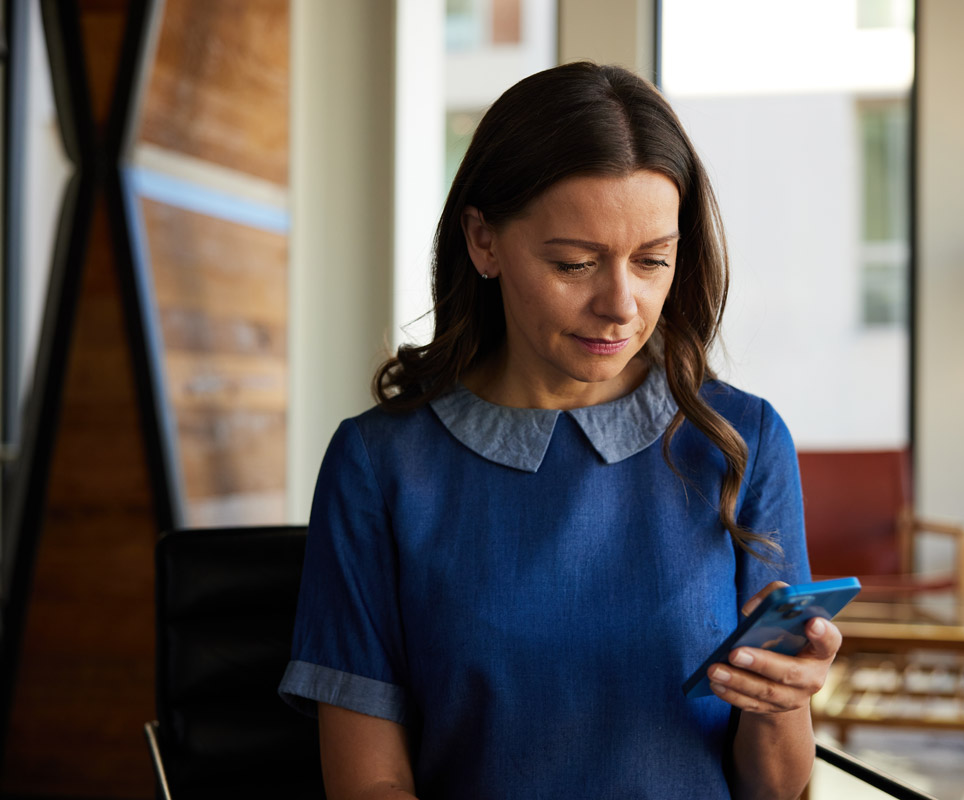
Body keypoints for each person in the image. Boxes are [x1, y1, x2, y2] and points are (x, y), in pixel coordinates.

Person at [279, 61, 842, 800]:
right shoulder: (380, 467)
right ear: (483, 240)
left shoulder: (743, 441)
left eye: (653, 261)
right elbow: (369, 782)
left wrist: (784, 701)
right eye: (576, 264)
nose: (622, 305)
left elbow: (774, 789)